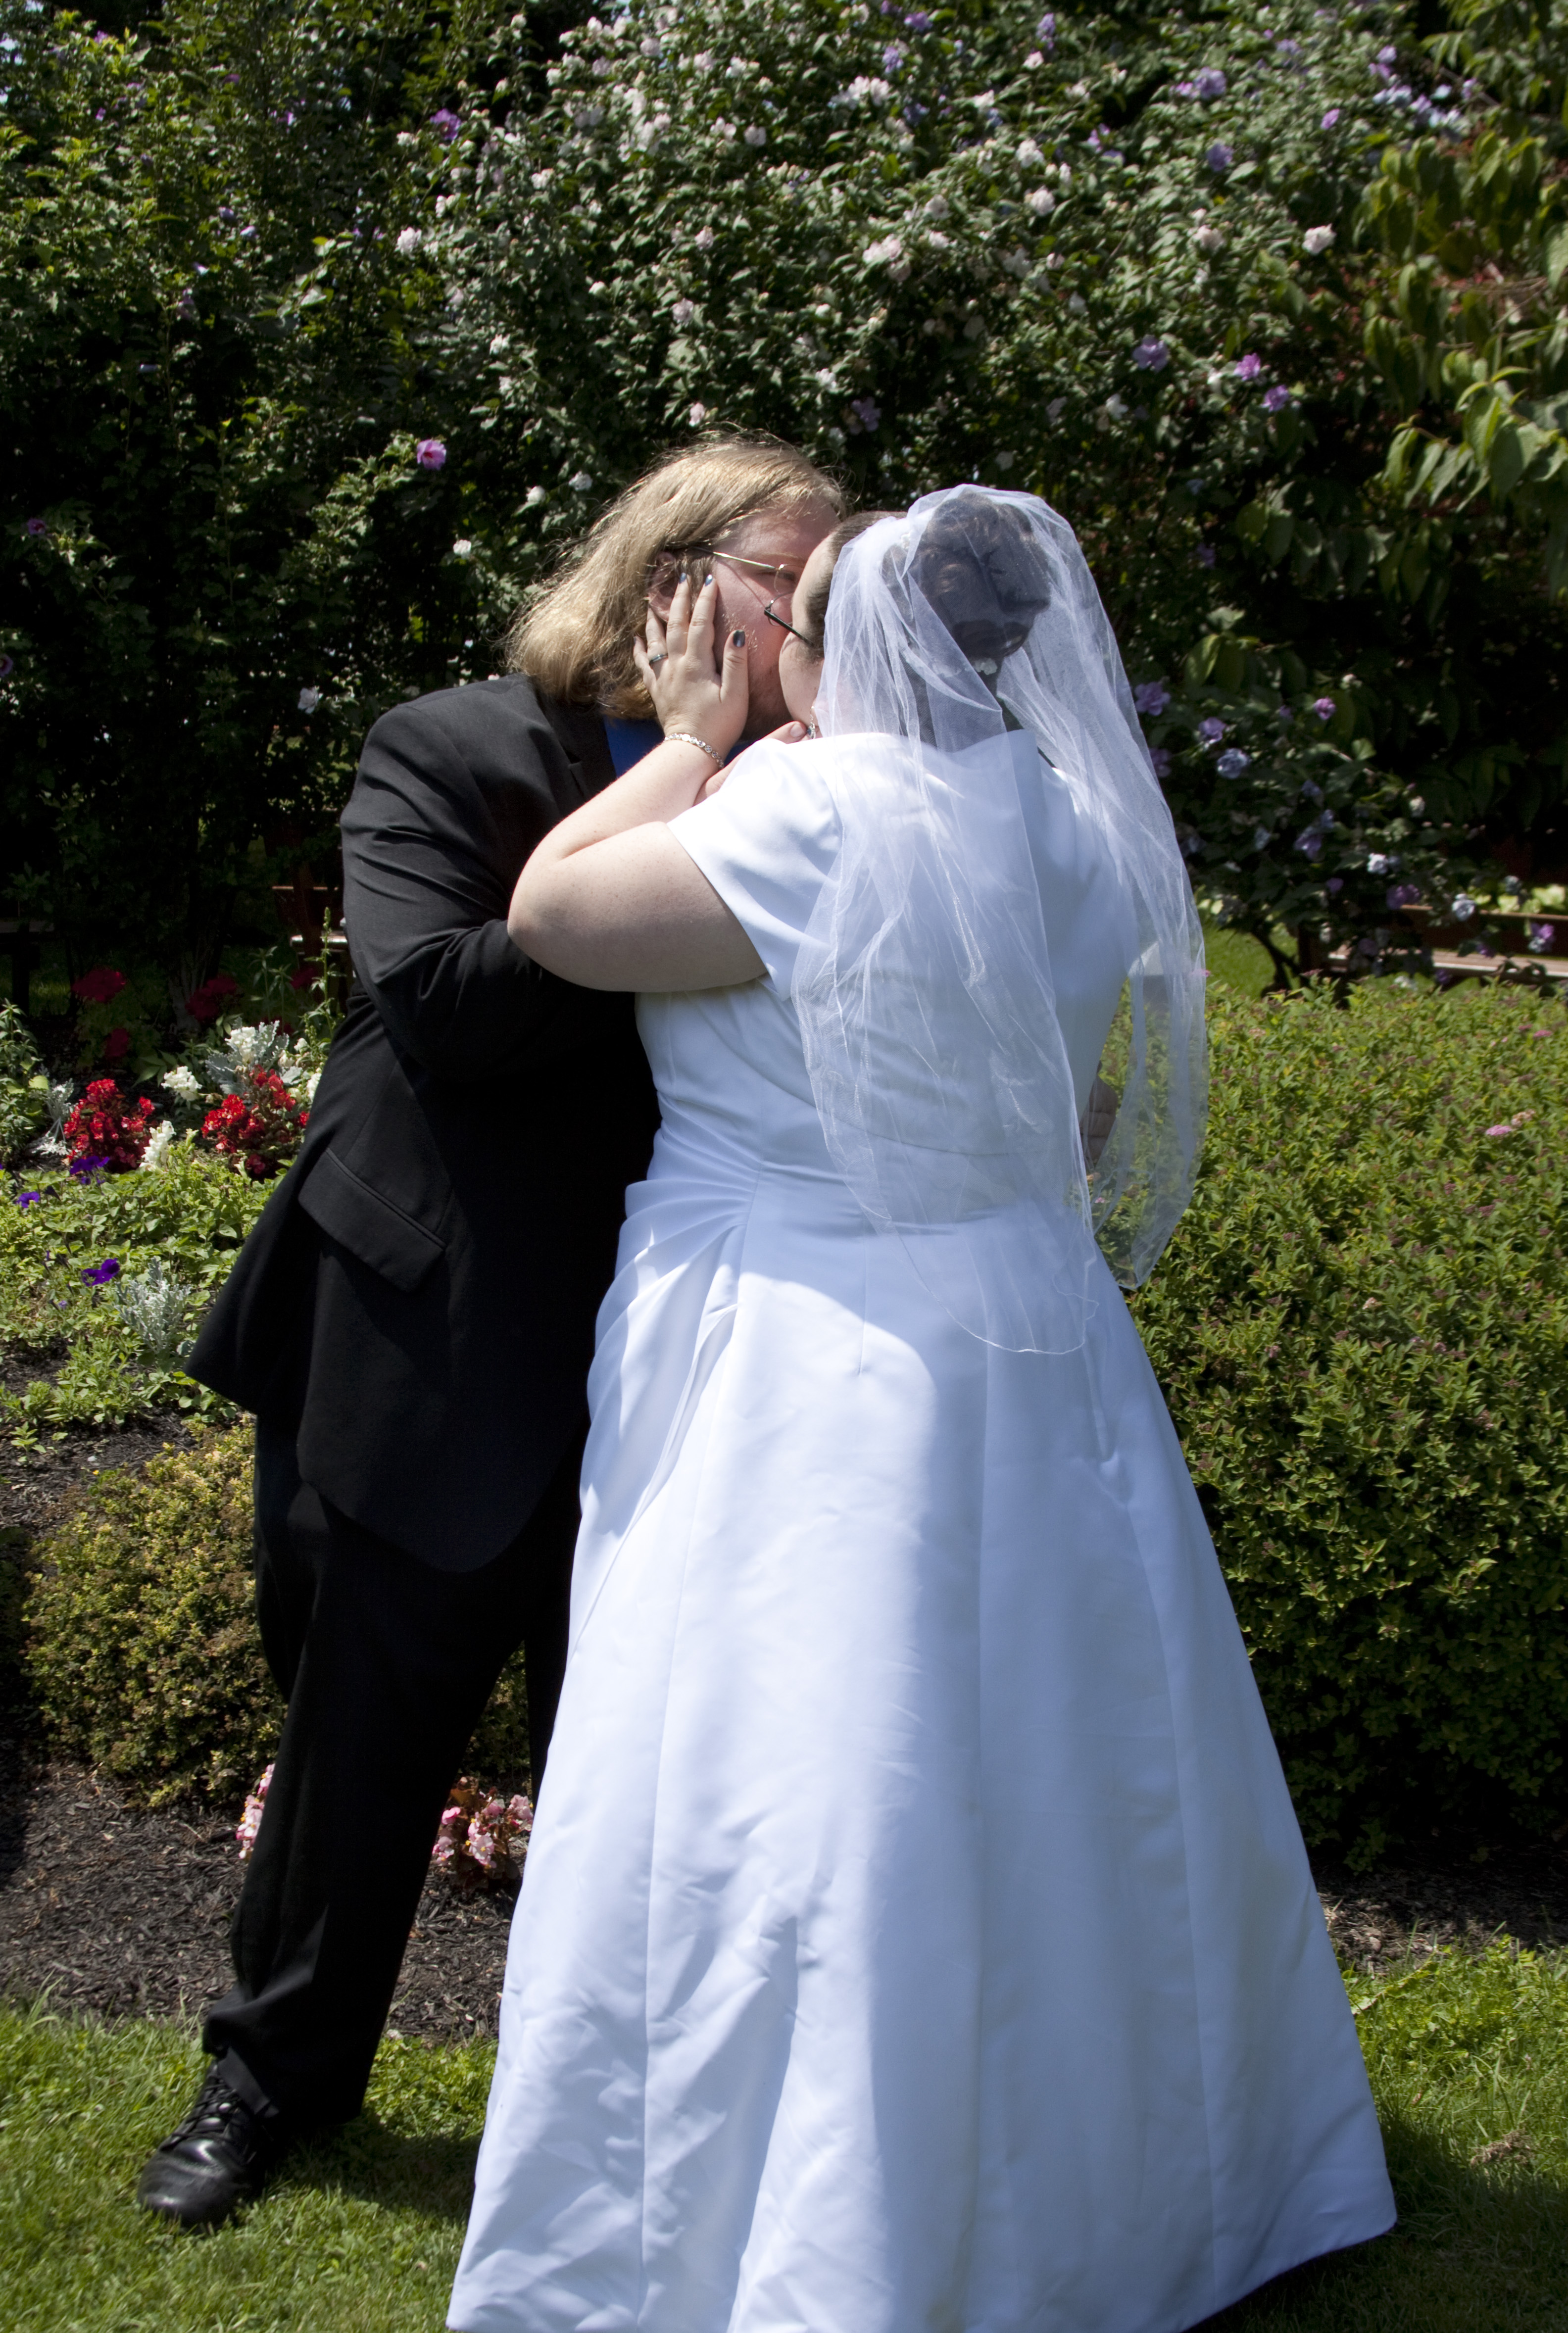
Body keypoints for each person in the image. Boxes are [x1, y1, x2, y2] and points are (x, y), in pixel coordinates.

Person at [446, 489, 1395, 2333]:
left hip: (808, 1344)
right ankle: (1134, 2192)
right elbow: (1054, 1093)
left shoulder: (806, 813)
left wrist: (693, 746)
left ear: (835, 644)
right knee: (1053, 1750)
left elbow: (554, 915)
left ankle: (811, 2223)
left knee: (816, 1772)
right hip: (1033, 1331)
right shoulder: (1076, 814)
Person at [134, 435, 844, 2230]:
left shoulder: (835, 790)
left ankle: (628, 2116)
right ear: (676, 586)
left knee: (658, 1772)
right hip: (431, 1330)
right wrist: (684, 774)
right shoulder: (452, 751)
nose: (823, 614)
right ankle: (268, 2081)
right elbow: (447, 1008)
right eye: (792, 581)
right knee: (361, 1745)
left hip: (696, 1345)